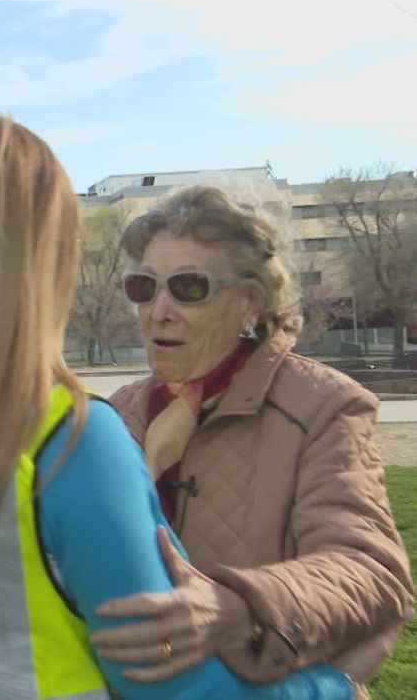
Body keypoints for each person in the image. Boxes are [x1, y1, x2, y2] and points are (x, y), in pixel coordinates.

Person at [0, 108, 359, 699]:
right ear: (33, 259)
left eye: (189, 287)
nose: (159, 309)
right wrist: (332, 688)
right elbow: (174, 685)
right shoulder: (66, 435)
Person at [91, 185, 414, 693]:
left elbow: (372, 572)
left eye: (189, 287)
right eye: (143, 288)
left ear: (249, 301)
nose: (159, 310)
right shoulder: (115, 413)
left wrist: (240, 608)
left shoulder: (322, 405)